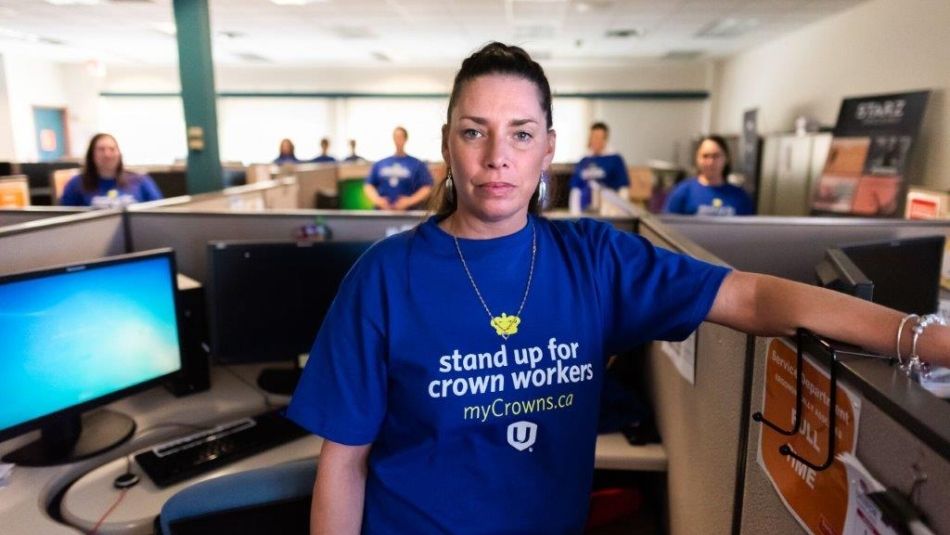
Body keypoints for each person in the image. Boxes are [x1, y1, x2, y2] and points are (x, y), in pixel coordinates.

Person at [287, 43, 950, 534]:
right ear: (448, 145)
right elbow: (342, 466)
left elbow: (750, 298)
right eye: (474, 132)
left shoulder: (596, 261)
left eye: (520, 133)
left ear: (548, 148)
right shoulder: (383, 278)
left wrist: (919, 336)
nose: (497, 156)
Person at [60, 133, 163, 207]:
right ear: (91, 155)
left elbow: (158, 215)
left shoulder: (141, 181)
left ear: (119, 153)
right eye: (101, 149)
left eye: (112, 149)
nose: (107, 154)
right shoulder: (76, 184)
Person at [663, 135, 754, 216]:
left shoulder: (740, 196)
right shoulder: (683, 192)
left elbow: (749, 230)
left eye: (716, 156)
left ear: (726, 159)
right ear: (697, 159)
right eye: (705, 156)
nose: (710, 162)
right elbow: (667, 226)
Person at [362, 126, 433, 211]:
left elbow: (427, 187)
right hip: (382, 213)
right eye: (396, 137)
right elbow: (368, 185)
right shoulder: (380, 164)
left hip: (409, 214)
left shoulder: (417, 164)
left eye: (400, 137)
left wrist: (409, 201)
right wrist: (378, 200)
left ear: (406, 139)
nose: (398, 140)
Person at [568, 122, 630, 213]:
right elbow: (575, 189)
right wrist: (574, 213)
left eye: (598, 137)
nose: (595, 141)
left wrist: (621, 214)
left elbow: (623, 190)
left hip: (608, 209)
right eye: (593, 137)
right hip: (584, 211)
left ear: (605, 139)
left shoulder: (615, 159)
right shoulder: (584, 160)